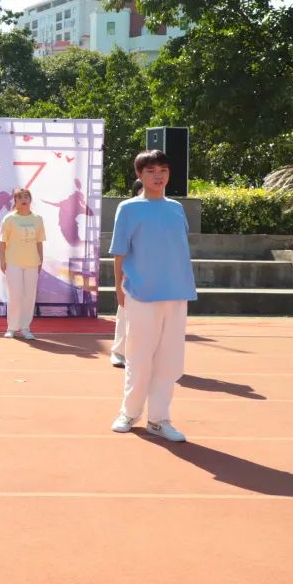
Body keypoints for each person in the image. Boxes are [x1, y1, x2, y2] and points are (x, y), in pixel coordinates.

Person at [109, 150, 197, 442]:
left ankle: (159, 419)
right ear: (139, 175)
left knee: (170, 361)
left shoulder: (176, 208)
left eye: (163, 170)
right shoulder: (128, 208)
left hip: (176, 293)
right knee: (139, 357)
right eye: (151, 171)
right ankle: (129, 412)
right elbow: (119, 253)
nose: (158, 176)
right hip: (141, 293)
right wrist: (119, 289)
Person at [0, 187, 45, 340]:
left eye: (26, 197)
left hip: (32, 262)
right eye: (20, 197)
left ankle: (25, 327)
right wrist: (2, 260)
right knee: (15, 295)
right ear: (15, 201)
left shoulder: (37, 219)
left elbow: (39, 242)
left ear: (30, 200)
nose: (23, 200)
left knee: (29, 295)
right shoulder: (9, 219)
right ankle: (12, 327)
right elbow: (2, 242)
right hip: (13, 262)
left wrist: (40, 260)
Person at [110, 179, 144, 368]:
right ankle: (119, 352)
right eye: (141, 189)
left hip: (155, 274)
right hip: (131, 273)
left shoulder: (168, 210)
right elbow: (120, 249)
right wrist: (119, 278)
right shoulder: (127, 210)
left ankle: (145, 355)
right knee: (125, 312)